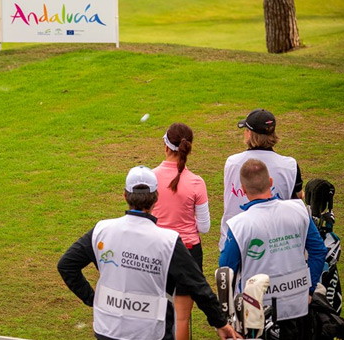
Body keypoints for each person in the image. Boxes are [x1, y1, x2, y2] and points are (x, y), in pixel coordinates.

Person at [58, 166, 239, 340]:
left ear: (125, 195)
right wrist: (220, 323)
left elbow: (66, 265)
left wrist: (93, 299)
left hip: (107, 329)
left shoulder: (101, 230)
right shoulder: (167, 240)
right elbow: (197, 286)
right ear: (156, 198)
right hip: (150, 332)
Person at [219, 159, 327, 339]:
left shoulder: (239, 225)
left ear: (243, 191)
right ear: (270, 182)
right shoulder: (298, 210)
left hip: (256, 316)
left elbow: (226, 270)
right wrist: (309, 289)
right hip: (298, 307)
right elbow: (318, 251)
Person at [151, 123, 210, 340]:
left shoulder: (150, 177)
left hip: (156, 251)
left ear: (165, 146)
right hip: (188, 253)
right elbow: (204, 227)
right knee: (182, 317)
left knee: (154, 312)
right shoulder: (196, 182)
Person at [219, 109, 304, 251]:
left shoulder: (232, 163)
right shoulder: (290, 165)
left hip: (235, 240)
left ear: (250, 134)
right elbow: (298, 200)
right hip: (276, 243)